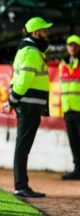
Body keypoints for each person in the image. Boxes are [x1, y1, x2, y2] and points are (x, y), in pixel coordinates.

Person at [2, 17, 51, 197]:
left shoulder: (31, 50)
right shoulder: (31, 51)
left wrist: (12, 101)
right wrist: (12, 101)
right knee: (23, 147)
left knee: (23, 146)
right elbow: (23, 80)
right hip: (28, 106)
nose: (48, 34)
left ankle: (21, 185)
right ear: (36, 32)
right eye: (45, 30)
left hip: (30, 106)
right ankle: (21, 186)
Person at [59, 35, 80, 180]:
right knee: (73, 141)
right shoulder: (63, 64)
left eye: (75, 45)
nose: (72, 47)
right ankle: (77, 169)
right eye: (70, 45)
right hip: (68, 109)